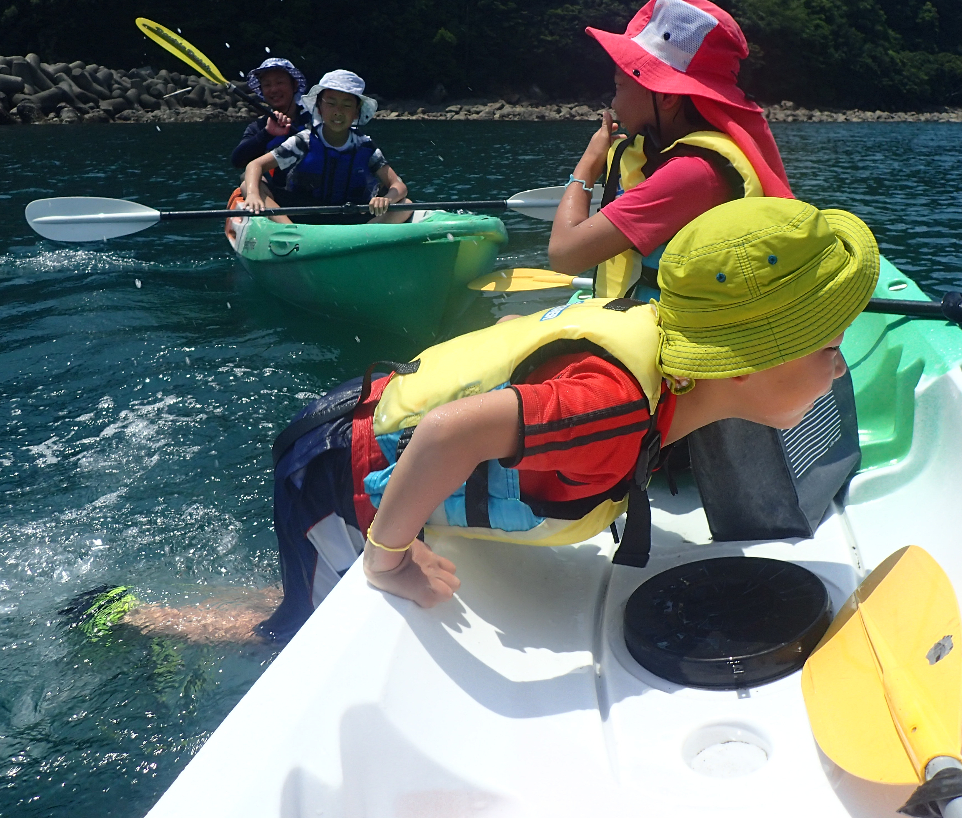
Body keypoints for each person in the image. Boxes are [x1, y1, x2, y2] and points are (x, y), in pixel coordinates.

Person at [70, 197, 878, 643]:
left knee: (308, 587)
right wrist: (389, 557)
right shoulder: (610, 406)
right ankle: (138, 621)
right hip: (341, 474)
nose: (839, 368)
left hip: (368, 442)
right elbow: (449, 435)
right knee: (299, 632)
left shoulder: (661, 365)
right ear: (741, 362)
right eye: (826, 348)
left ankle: (263, 590)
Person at [550, 0, 794, 300]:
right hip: (655, 323)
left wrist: (589, 162)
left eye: (619, 86)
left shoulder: (692, 174)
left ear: (666, 96)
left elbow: (563, 255)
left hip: (675, 342)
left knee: (510, 322)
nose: (612, 102)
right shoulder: (681, 155)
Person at [239, 69, 410, 224]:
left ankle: (364, 238)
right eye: (331, 103)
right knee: (248, 185)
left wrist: (387, 199)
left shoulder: (365, 145)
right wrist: (253, 194)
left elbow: (398, 185)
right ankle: (289, 231)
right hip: (301, 215)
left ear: (356, 112)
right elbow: (255, 165)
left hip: (350, 216)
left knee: (406, 204)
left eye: (347, 105)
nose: (338, 111)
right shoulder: (303, 141)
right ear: (319, 108)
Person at [229, 58, 310, 170]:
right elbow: (237, 161)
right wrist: (267, 134)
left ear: (295, 85)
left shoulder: (313, 120)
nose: (273, 90)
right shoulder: (259, 127)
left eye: (279, 82)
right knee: (245, 180)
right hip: (275, 186)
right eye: (267, 85)